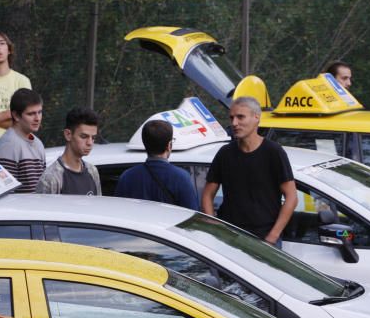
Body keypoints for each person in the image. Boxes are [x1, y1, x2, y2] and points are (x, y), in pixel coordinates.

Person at [201, 96, 297, 246]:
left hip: (265, 238)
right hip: (230, 237)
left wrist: (272, 236)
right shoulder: (225, 153)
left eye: (240, 117)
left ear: (256, 117)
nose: (234, 123)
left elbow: (291, 197)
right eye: (232, 117)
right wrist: (214, 226)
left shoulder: (273, 152)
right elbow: (207, 194)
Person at [114, 119, 198, 209]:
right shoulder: (182, 178)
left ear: (145, 144)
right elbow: (192, 216)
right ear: (169, 145)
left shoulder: (127, 177)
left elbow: (119, 211)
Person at [36, 107, 101, 196]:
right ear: (68, 134)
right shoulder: (51, 178)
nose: (90, 143)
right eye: (83, 136)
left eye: (93, 138)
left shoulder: (93, 172)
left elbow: (97, 207)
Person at [0, 88, 45, 193]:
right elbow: (5, 192)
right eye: (31, 114)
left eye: (39, 112)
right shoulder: (8, 145)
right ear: (16, 115)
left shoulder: (38, 143)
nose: (37, 118)